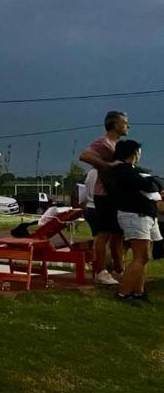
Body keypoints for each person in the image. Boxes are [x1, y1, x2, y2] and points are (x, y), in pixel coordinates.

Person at [102, 139, 163, 304]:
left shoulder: (132, 170)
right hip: (135, 216)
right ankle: (123, 293)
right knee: (140, 257)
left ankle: (138, 292)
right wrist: (154, 183)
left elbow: (155, 182)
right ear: (134, 152)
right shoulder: (124, 171)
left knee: (144, 257)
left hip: (146, 214)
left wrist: (154, 182)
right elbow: (150, 185)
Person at [79, 110, 129, 285]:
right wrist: (107, 166)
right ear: (115, 125)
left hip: (115, 195)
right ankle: (100, 271)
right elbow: (84, 155)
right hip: (103, 195)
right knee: (104, 234)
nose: (128, 125)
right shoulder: (103, 142)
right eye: (125, 122)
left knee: (117, 235)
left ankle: (118, 269)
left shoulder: (117, 144)